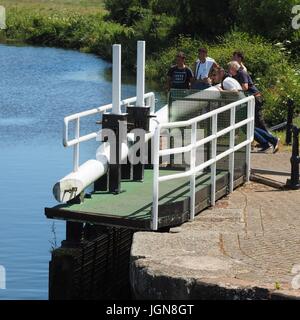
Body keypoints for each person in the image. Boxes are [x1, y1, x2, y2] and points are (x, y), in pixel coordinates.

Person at [228, 61, 268, 133]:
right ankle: (264, 138)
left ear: (234, 67)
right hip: (250, 98)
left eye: (230, 68)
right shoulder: (236, 75)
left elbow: (245, 87)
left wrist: (236, 90)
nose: (229, 71)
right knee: (253, 119)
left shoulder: (241, 73)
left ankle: (269, 138)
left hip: (254, 97)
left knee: (258, 119)